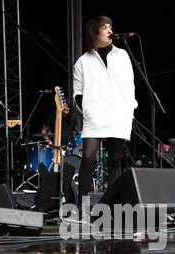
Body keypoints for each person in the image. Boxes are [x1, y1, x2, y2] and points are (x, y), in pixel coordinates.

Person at [73, 15, 138, 206]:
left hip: (119, 113)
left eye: (111, 26)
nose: (110, 30)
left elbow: (130, 85)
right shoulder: (82, 62)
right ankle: (82, 208)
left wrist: (130, 107)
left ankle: (112, 206)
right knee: (87, 158)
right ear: (94, 32)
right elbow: (77, 93)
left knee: (115, 160)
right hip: (95, 116)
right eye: (105, 27)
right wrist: (89, 109)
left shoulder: (123, 55)